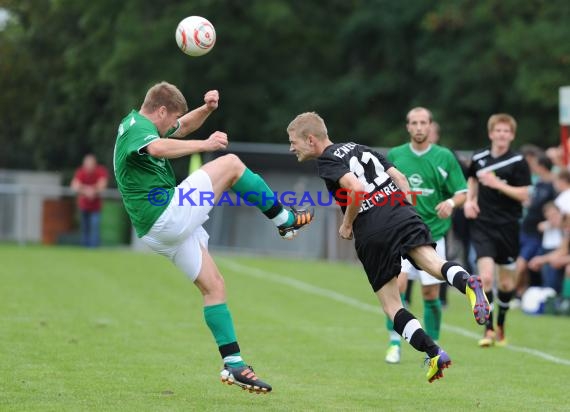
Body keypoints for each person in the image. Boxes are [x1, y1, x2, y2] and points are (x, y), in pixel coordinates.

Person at [113, 82, 314, 394]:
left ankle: (233, 364)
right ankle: (284, 220)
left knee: (214, 286)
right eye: (170, 119)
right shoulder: (139, 129)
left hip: (156, 229)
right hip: (164, 212)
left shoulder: (142, 124)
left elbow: (178, 129)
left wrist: (205, 110)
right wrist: (205, 144)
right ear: (161, 110)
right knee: (231, 164)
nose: (172, 127)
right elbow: (157, 147)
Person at [286, 111, 489, 383]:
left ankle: (433, 352)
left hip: (373, 230)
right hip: (402, 213)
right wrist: (405, 212)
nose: (291, 147)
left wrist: (347, 225)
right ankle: (468, 284)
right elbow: (401, 180)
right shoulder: (359, 147)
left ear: (311, 140)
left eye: (293, 141)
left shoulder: (327, 159)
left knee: (392, 304)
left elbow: (356, 190)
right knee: (435, 264)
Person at [383, 108, 467, 364]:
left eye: (423, 123)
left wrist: (451, 204)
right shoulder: (395, 155)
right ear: (407, 126)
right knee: (397, 287)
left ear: (430, 126)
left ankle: (433, 347)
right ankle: (394, 344)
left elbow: (462, 192)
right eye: (414, 123)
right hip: (402, 234)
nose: (419, 127)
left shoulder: (444, 157)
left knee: (430, 295)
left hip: (433, 234)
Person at [464, 113, 531, 347]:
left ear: (511, 135)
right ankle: (489, 329)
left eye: (506, 131)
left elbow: (525, 194)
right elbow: (472, 179)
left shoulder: (518, 162)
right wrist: (471, 201)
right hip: (483, 225)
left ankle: (501, 322)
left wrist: (498, 184)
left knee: (506, 284)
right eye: (498, 131)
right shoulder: (479, 157)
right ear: (491, 133)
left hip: (509, 226)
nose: (501, 135)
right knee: (486, 277)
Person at [514, 152, 556, 296]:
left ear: (542, 166)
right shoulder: (538, 183)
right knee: (522, 264)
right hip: (525, 229)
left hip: (537, 234)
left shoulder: (553, 185)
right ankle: (520, 293)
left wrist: (547, 222)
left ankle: (511, 293)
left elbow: (556, 208)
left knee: (522, 263)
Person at [71, 153, 109, 247]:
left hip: (96, 207)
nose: (88, 166)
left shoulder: (100, 171)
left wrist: (93, 190)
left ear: (94, 164)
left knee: (95, 226)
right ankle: (85, 248)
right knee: (85, 228)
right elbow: (74, 186)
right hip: (84, 206)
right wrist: (87, 190)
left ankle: (94, 248)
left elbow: (102, 185)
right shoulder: (81, 172)